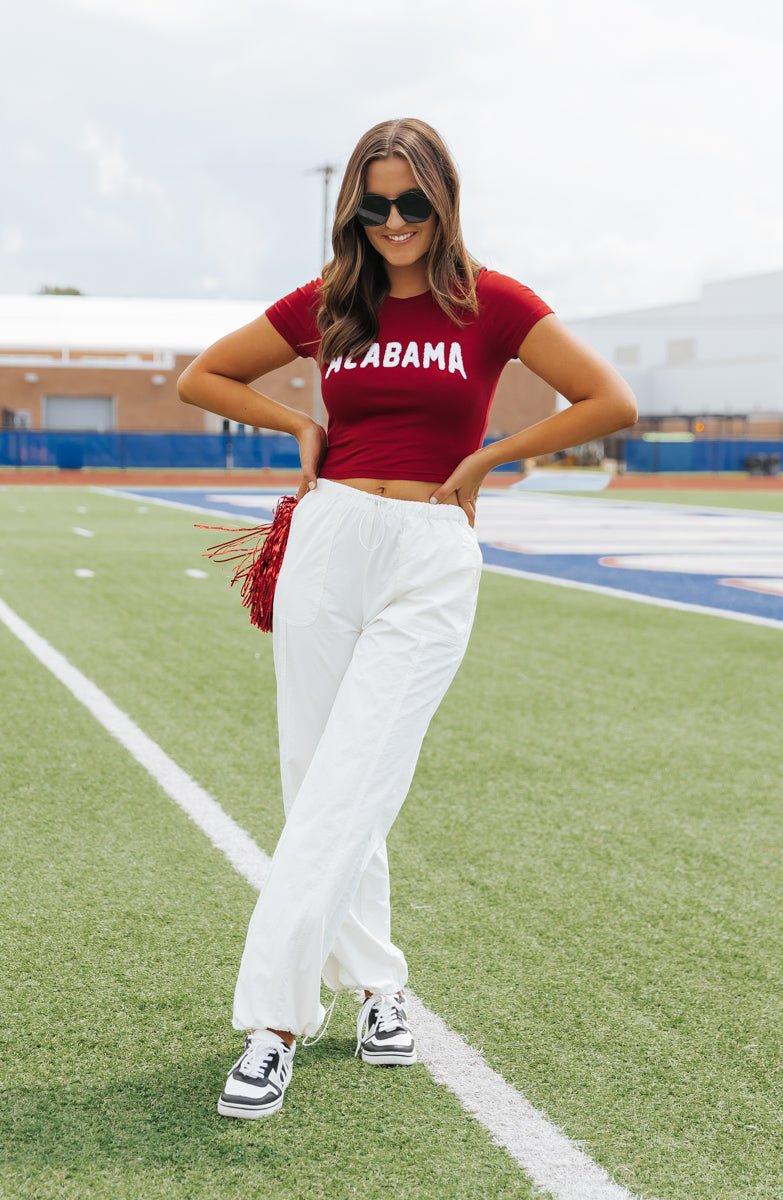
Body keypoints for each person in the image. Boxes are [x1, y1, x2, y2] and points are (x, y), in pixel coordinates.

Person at [177, 116, 638, 1120]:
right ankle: (381, 992)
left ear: (443, 199)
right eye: (374, 203)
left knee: (359, 772)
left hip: (429, 548)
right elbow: (200, 375)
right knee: (320, 776)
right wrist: (297, 420)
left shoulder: (493, 303)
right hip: (329, 541)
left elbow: (607, 400)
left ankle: (273, 1025)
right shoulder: (331, 303)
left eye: (411, 202)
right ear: (355, 207)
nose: (394, 221)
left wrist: (487, 458)